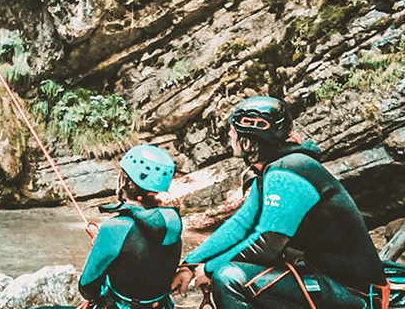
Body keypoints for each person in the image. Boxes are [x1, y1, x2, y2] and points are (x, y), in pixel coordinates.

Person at [170, 96, 389, 309]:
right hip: (322, 278)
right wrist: (190, 264)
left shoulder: (287, 172)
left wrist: (209, 269)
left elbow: (266, 244)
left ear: (250, 138)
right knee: (230, 271)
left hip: (353, 291)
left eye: (234, 130)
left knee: (229, 276)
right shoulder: (273, 170)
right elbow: (240, 225)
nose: (230, 134)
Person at [79, 144, 182, 309]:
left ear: (128, 183)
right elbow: (145, 250)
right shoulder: (172, 219)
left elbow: (87, 286)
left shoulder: (114, 228)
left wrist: (103, 243)